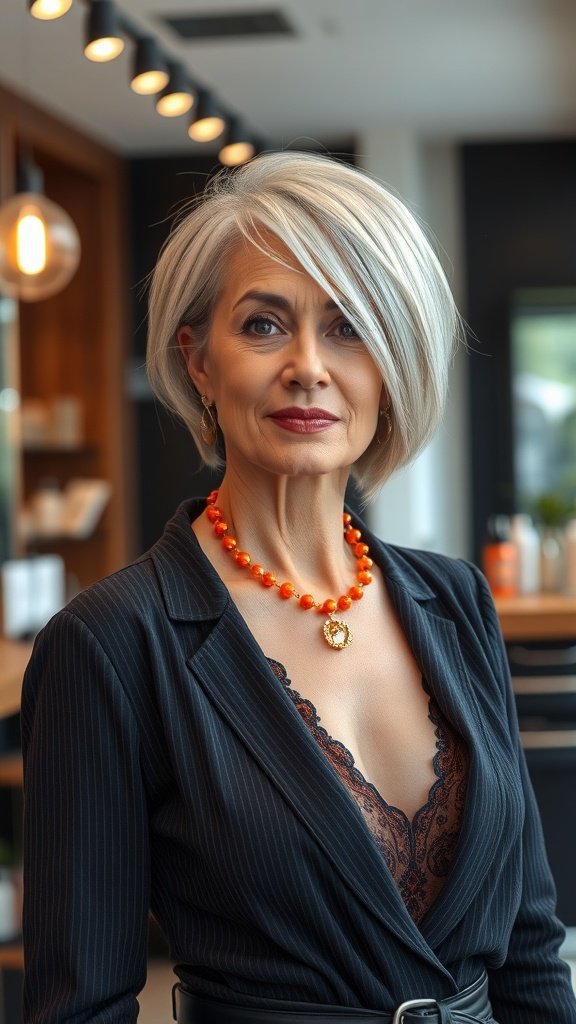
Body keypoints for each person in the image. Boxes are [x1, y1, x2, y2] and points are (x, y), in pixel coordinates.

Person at [21, 151, 576, 1024]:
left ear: (391, 368)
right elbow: (79, 1007)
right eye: (265, 324)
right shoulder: (111, 643)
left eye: (350, 327)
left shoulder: (458, 601)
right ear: (198, 359)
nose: (310, 366)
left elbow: (531, 944)